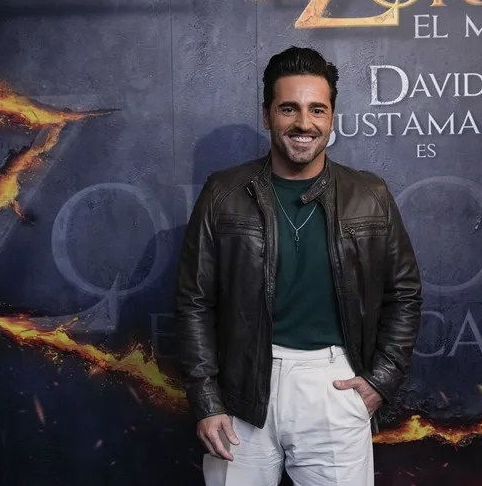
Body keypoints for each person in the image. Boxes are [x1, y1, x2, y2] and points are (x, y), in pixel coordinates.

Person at [174, 46, 422, 485]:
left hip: (334, 386)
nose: (304, 123)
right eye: (289, 108)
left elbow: (404, 294)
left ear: (331, 118)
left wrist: (380, 381)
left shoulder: (371, 195)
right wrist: (207, 399)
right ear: (267, 114)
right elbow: (194, 301)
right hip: (239, 389)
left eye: (316, 110)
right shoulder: (222, 193)